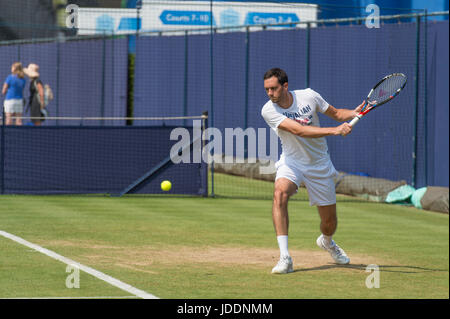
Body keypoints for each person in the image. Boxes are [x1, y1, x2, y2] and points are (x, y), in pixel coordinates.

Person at [261, 68, 363, 274]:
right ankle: (285, 257)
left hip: (319, 165)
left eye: (273, 88)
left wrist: (353, 113)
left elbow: (335, 114)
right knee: (279, 192)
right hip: (292, 163)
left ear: (285, 86)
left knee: (329, 223)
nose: (270, 93)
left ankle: (327, 242)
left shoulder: (309, 95)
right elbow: (299, 130)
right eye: (267, 89)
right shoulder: (268, 110)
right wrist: (336, 130)